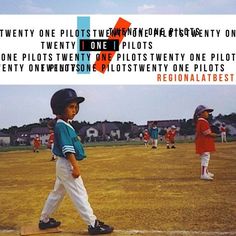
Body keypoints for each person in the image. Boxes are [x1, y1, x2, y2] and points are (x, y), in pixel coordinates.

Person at [38, 88, 113, 235]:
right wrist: (75, 166)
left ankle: (44, 220)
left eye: (76, 107)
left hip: (63, 165)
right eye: (71, 106)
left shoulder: (64, 125)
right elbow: (67, 150)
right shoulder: (61, 126)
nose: (75, 110)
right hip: (67, 164)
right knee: (79, 193)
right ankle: (92, 224)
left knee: (57, 193)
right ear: (60, 108)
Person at [193, 105, 218, 181]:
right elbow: (206, 133)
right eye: (206, 112)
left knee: (205, 158)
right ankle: (203, 174)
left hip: (202, 143)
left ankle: (205, 172)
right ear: (201, 113)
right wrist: (214, 135)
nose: (208, 113)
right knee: (205, 158)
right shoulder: (202, 121)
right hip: (204, 143)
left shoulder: (201, 121)